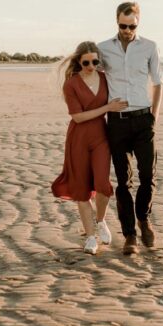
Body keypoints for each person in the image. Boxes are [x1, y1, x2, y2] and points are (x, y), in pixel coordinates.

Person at [97, 2, 163, 256]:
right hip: (117, 122)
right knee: (123, 181)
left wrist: (153, 116)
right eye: (122, 26)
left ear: (138, 23)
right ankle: (130, 236)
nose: (127, 30)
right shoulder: (103, 49)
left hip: (143, 119)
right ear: (116, 21)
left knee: (148, 176)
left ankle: (143, 219)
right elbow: (91, 73)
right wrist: (102, 107)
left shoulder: (149, 47)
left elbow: (158, 83)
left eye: (131, 26)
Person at [51, 41, 129, 254]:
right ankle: (91, 237)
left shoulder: (105, 79)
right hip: (78, 139)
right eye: (86, 62)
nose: (91, 66)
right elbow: (77, 116)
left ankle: (101, 220)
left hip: (100, 137)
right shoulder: (71, 84)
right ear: (79, 61)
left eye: (95, 61)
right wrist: (107, 107)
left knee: (103, 185)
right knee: (82, 190)